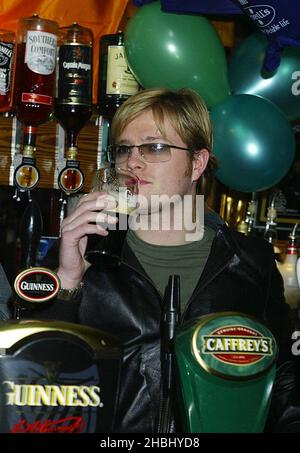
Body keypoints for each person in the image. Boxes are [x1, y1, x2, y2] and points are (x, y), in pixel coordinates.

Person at [36, 88, 296, 432]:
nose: (133, 161)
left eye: (154, 147)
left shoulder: (249, 260)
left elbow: (283, 383)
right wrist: (67, 281)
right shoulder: (86, 254)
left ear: (197, 163)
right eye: (124, 149)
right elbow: (35, 381)